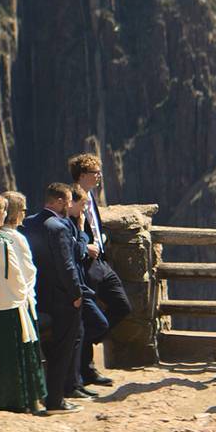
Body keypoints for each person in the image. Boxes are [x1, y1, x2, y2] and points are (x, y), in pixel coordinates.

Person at [0, 192, 46, 414]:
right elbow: (18, 278)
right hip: (10, 307)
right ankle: (19, 400)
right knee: (15, 357)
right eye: (3, 211)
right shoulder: (4, 244)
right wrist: (22, 296)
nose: (6, 214)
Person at [69, 153, 131, 387]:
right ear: (83, 175)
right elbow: (68, 232)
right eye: (95, 173)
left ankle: (87, 344)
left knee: (122, 305)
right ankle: (87, 369)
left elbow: (94, 226)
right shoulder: (73, 197)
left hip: (101, 263)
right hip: (86, 265)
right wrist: (85, 247)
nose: (99, 176)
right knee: (88, 316)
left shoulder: (91, 196)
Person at [22, 183, 84, 414]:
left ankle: (45, 395)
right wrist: (76, 294)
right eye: (68, 201)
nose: (69, 206)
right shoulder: (58, 227)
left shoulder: (28, 224)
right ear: (57, 202)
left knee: (46, 347)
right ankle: (56, 401)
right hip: (62, 299)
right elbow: (67, 266)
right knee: (63, 348)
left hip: (39, 295)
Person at [65, 184, 111, 398]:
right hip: (75, 288)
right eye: (81, 207)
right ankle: (76, 380)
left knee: (86, 329)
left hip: (81, 285)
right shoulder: (63, 225)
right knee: (91, 327)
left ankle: (81, 375)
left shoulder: (70, 223)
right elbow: (73, 253)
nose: (83, 211)